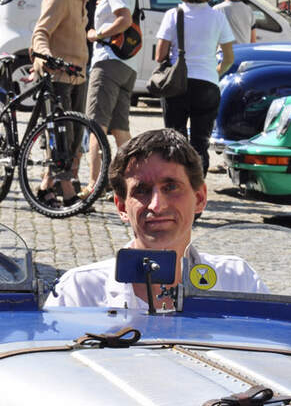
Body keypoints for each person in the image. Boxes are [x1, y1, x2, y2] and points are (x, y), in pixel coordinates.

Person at [45, 128, 265, 309]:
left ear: (199, 198)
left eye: (171, 187)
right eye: (141, 191)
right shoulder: (80, 293)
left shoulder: (238, 282)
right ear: (121, 206)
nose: (156, 205)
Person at [30, 0, 114, 206]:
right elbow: (41, 32)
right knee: (61, 137)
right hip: (58, 78)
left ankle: (47, 186)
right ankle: (67, 194)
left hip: (77, 77)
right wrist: (45, 56)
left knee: (75, 139)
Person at [155, 0, 234, 176]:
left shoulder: (173, 15)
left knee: (175, 140)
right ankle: (197, 191)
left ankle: (177, 185)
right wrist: (215, 72)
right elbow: (229, 58)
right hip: (207, 83)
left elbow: (159, 55)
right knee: (200, 142)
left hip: (177, 84)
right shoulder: (217, 17)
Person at [81, 0, 138, 200]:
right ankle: (133, 181)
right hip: (125, 64)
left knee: (96, 125)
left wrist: (98, 34)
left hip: (108, 62)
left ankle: (94, 184)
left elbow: (124, 19)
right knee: (120, 129)